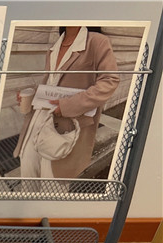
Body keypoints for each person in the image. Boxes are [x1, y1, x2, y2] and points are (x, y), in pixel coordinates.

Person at [14, 26, 119, 181]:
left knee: (52, 182)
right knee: (28, 173)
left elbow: (110, 81)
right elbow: (53, 83)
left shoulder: (96, 41)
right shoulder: (56, 45)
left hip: (66, 125)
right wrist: (33, 96)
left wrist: (68, 106)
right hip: (38, 120)